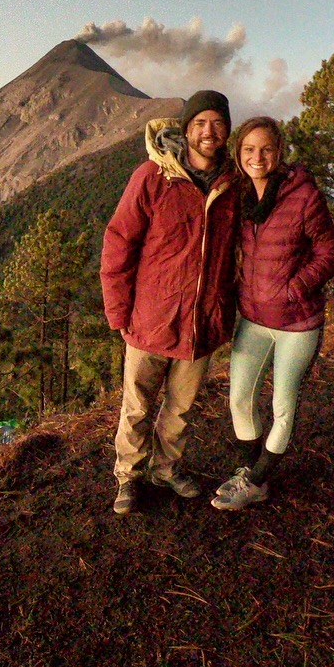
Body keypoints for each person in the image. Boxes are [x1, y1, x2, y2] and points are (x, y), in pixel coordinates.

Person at [101, 90, 240, 515]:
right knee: (137, 406)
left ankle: (167, 468)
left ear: (227, 130)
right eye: (200, 123)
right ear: (186, 128)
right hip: (151, 317)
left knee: (181, 408)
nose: (209, 132)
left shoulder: (232, 185)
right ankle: (128, 475)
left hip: (203, 321)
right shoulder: (153, 176)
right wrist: (118, 311)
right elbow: (119, 242)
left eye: (217, 123)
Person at [211, 116, 334, 511]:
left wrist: (294, 288)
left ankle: (255, 479)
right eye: (249, 149)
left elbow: (329, 253)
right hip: (253, 319)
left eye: (266, 149)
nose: (258, 157)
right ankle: (253, 478)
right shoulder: (239, 195)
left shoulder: (302, 196)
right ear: (239, 154)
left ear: (279, 152)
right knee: (239, 401)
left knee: (282, 405)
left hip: (297, 323)